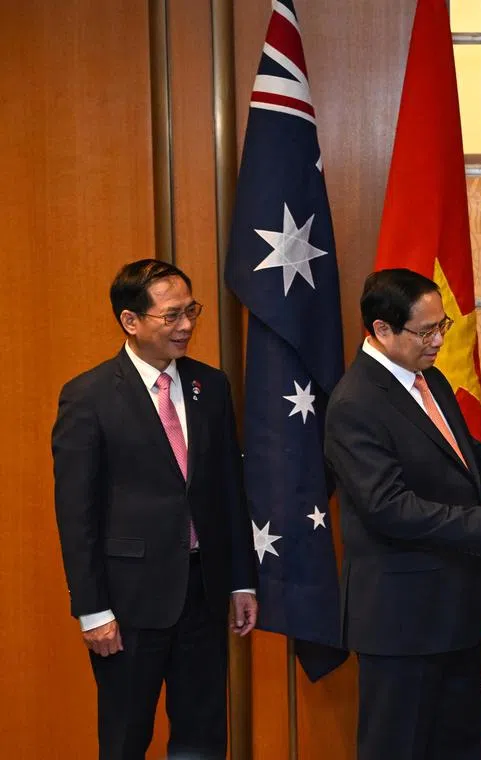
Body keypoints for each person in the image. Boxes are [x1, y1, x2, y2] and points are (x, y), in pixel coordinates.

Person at [324, 268, 481, 760]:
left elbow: (457, 461)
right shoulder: (355, 402)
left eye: (444, 326)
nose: (439, 340)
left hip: (454, 606)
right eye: (426, 331)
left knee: (456, 745)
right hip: (401, 619)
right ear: (381, 331)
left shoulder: (428, 379)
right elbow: (388, 507)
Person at [52, 259, 258, 759]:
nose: (187, 326)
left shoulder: (210, 386)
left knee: (203, 736)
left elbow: (228, 490)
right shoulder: (89, 396)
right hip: (127, 604)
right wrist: (92, 610)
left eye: (191, 311)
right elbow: (76, 513)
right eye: (171, 316)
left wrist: (240, 580)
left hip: (203, 594)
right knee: (126, 739)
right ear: (131, 321)